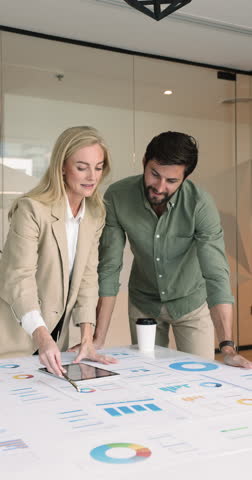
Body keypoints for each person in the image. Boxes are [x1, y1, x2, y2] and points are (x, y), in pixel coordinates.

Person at [95, 131, 252, 368]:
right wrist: (97, 340)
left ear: (185, 178)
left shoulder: (200, 204)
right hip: (144, 303)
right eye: (154, 174)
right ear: (144, 162)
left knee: (201, 376)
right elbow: (109, 268)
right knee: (147, 375)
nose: (159, 187)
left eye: (171, 181)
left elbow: (216, 274)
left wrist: (228, 347)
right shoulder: (118, 196)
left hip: (191, 302)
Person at [0, 126, 116, 376]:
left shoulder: (94, 215)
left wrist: (87, 337)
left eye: (98, 167)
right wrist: (42, 337)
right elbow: (19, 278)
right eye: (82, 167)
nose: (92, 177)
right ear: (62, 166)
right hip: (13, 338)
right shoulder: (31, 209)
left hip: (55, 340)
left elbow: (87, 278)